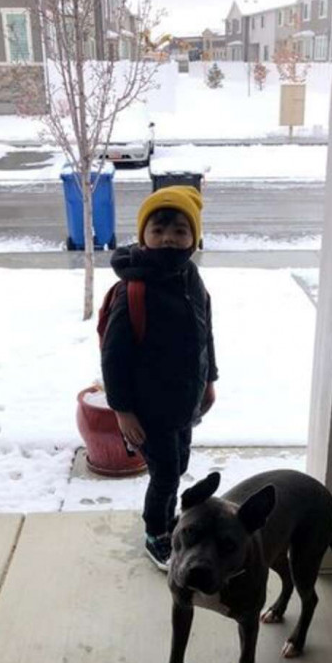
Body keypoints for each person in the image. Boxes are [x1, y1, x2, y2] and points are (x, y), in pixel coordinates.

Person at [101, 185, 218, 570]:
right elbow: (114, 357)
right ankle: (157, 532)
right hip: (148, 410)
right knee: (167, 474)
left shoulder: (192, 280)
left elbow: (206, 334)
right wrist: (123, 412)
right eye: (159, 229)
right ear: (143, 236)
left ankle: (169, 518)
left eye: (180, 231)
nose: (169, 238)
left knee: (179, 463)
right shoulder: (134, 290)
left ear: (194, 238)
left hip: (184, 402)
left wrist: (209, 379)